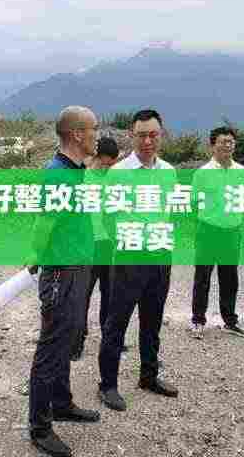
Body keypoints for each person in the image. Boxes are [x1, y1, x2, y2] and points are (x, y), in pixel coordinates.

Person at [28, 106, 100, 457]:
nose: (98, 135)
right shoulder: (58, 175)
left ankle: (61, 403)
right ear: (77, 134)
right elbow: (44, 224)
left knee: (68, 339)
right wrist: (35, 256)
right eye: (94, 129)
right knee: (52, 347)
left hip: (78, 267)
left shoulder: (75, 170)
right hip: (61, 273)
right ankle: (40, 427)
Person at [98, 109, 179, 411]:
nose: (147, 141)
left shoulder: (169, 171)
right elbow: (108, 217)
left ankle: (149, 376)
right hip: (129, 256)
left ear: (161, 135)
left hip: (160, 256)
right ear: (131, 136)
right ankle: (107, 385)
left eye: (153, 135)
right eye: (142, 135)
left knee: (152, 321)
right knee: (116, 323)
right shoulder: (119, 173)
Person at [189, 126, 244, 339]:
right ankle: (198, 320)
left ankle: (230, 321)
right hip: (207, 230)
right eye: (223, 141)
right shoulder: (202, 173)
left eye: (231, 141)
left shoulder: (242, 172)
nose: (227, 145)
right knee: (202, 277)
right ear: (212, 146)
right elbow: (194, 203)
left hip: (232, 231)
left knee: (230, 278)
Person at [82, 137, 121, 349]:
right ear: (98, 157)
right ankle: (77, 340)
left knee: (111, 293)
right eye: (107, 162)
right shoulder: (82, 177)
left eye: (112, 164)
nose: (110, 167)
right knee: (83, 294)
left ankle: (109, 337)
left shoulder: (114, 179)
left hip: (110, 244)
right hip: (89, 244)